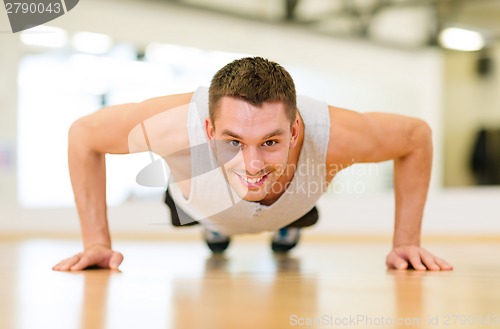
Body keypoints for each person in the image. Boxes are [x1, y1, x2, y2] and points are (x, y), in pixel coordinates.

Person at [53, 57, 453, 272]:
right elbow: (83, 136)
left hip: (293, 204)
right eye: (233, 142)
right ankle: (215, 232)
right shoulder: (173, 125)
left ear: (296, 129)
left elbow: (416, 137)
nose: (253, 161)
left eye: (271, 141)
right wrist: (97, 244)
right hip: (199, 205)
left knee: (287, 209)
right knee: (215, 219)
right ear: (209, 127)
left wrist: (405, 243)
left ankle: (286, 227)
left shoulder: (334, 133)